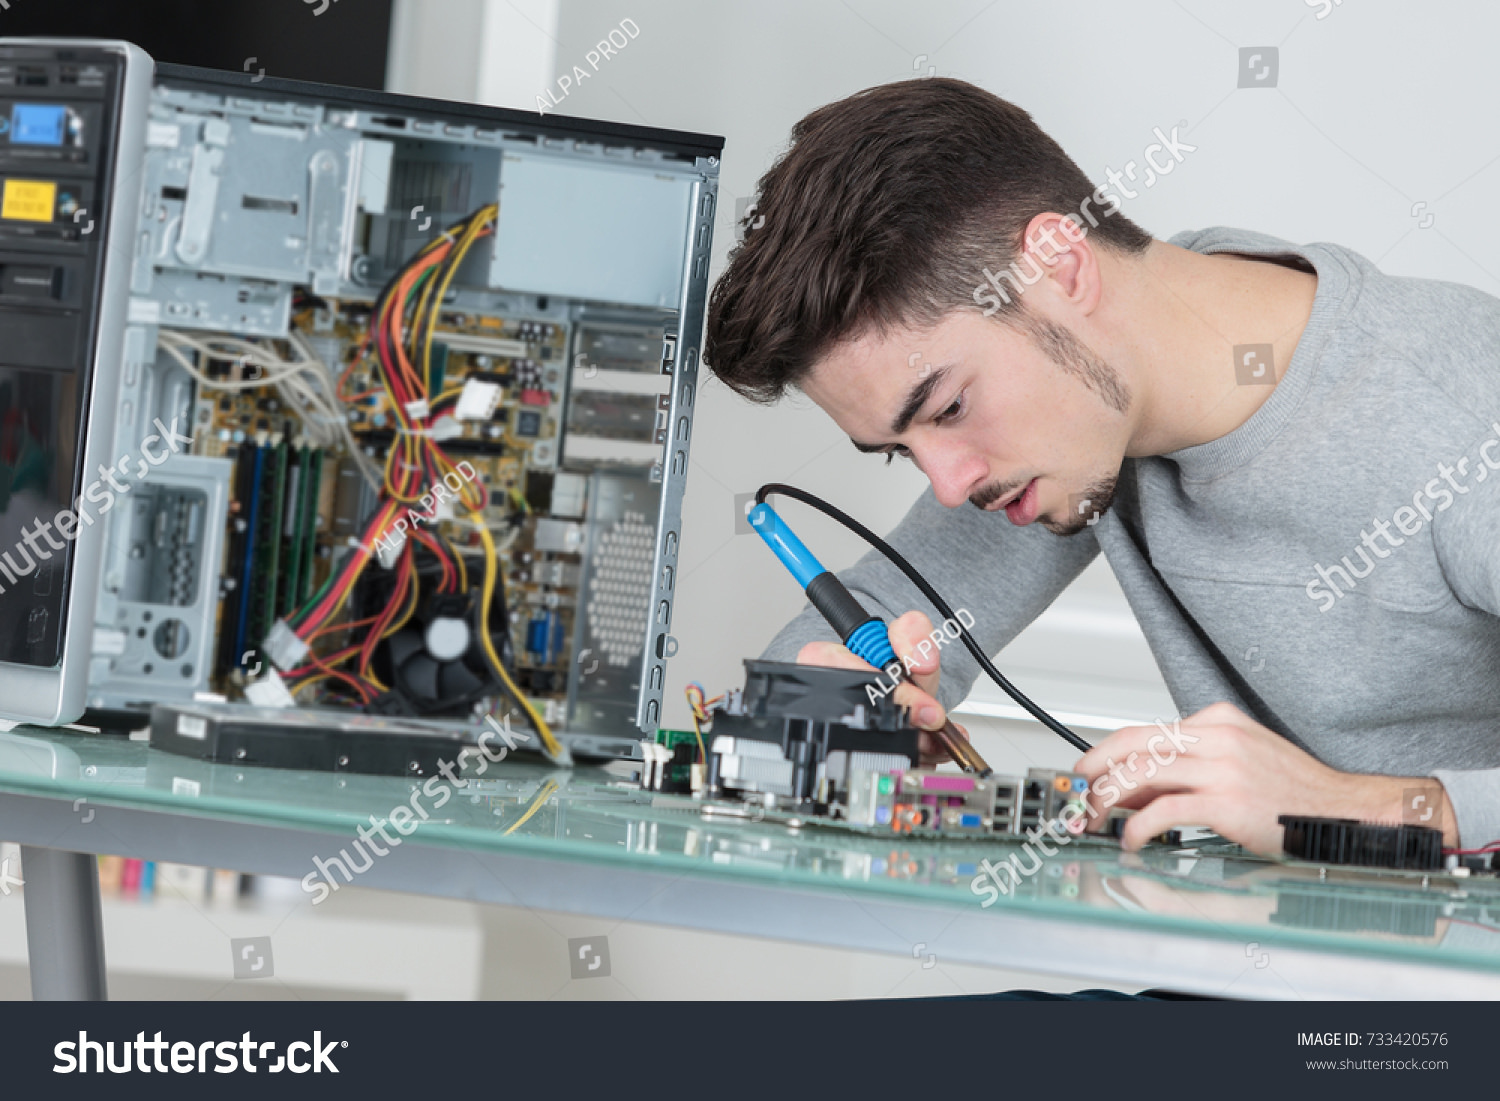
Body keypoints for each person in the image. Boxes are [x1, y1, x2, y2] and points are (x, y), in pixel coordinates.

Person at [704, 77, 1500, 857]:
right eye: (899, 449)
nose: (948, 484)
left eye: (946, 408)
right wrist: (841, 705)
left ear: (1060, 267)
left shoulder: (1459, 406)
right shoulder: (1088, 409)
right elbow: (863, 620)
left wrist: (1367, 808)